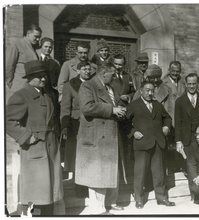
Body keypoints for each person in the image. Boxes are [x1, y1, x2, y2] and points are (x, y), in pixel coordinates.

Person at [6, 60, 63, 216]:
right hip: (35, 147)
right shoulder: (22, 96)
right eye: (38, 76)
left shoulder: (45, 95)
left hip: (51, 146)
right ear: (29, 78)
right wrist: (26, 137)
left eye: (44, 75)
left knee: (49, 192)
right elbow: (7, 120)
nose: (43, 79)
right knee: (37, 193)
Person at [75, 63, 127, 215]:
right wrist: (112, 110)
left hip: (111, 133)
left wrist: (120, 110)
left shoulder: (109, 87)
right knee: (97, 174)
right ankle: (98, 209)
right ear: (104, 73)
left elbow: (114, 104)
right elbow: (87, 107)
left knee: (111, 170)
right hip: (97, 136)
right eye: (112, 74)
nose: (115, 76)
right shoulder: (87, 86)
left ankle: (111, 202)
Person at [126, 81, 175, 209]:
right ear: (141, 91)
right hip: (142, 143)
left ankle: (161, 198)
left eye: (152, 90)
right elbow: (124, 123)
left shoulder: (158, 105)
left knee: (159, 173)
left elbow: (168, 118)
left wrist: (166, 126)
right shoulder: (133, 105)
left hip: (158, 143)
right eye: (147, 90)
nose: (150, 93)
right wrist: (133, 132)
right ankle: (139, 199)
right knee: (140, 173)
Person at [60, 61, 93, 198]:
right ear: (78, 71)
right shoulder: (70, 85)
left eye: (88, 69)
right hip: (76, 125)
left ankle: (91, 187)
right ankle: (79, 189)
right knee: (77, 158)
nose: (86, 71)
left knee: (90, 158)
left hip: (91, 124)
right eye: (84, 69)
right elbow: (65, 107)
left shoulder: (94, 83)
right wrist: (65, 126)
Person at [6, 24, 42, 97]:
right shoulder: (16, 45)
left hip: (30, 88)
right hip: (19, 87)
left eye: (39, 37)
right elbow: (8, 66)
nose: (38, 39)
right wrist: (9, 83)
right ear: (28, 34)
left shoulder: (33, 48)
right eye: (36, 36)